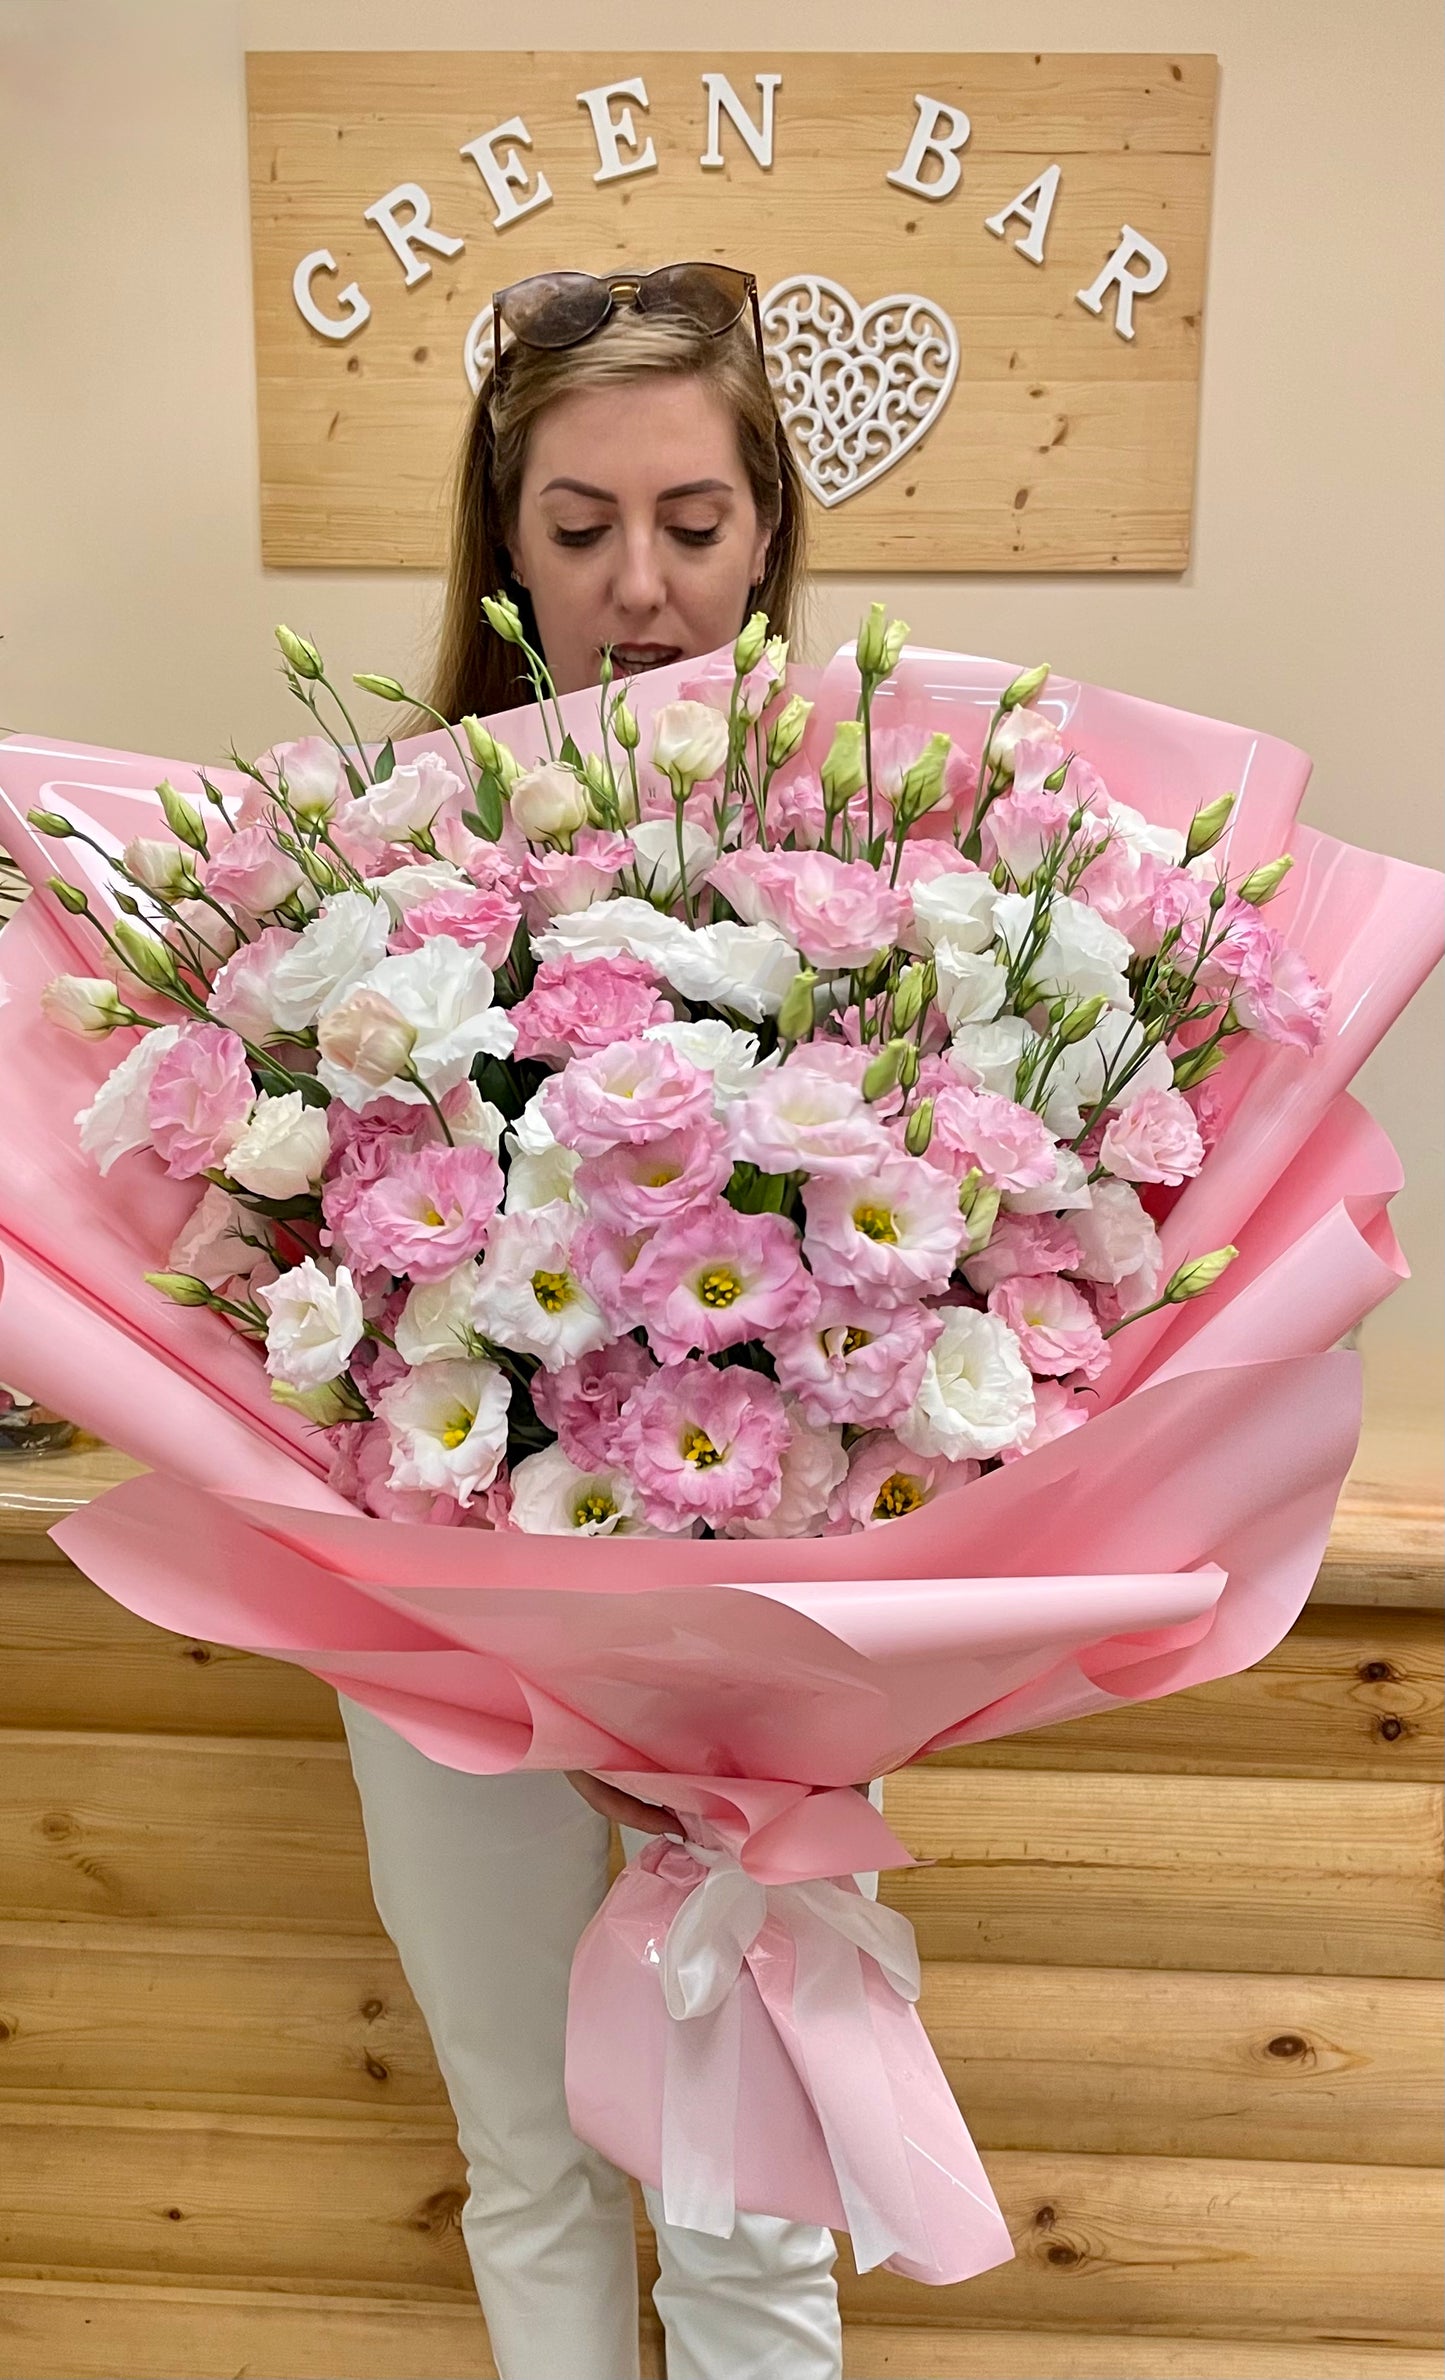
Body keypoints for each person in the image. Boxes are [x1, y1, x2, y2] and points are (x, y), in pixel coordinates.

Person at [339, 263, 842, 2380]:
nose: (640, 587)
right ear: (503, 541)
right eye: (579, 525)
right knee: (528, 2151)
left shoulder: (877, 848)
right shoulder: (374, 851)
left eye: (693, 523)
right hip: (443, 1610)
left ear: (767, 532)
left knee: (745, 2183)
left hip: (766, 1621)